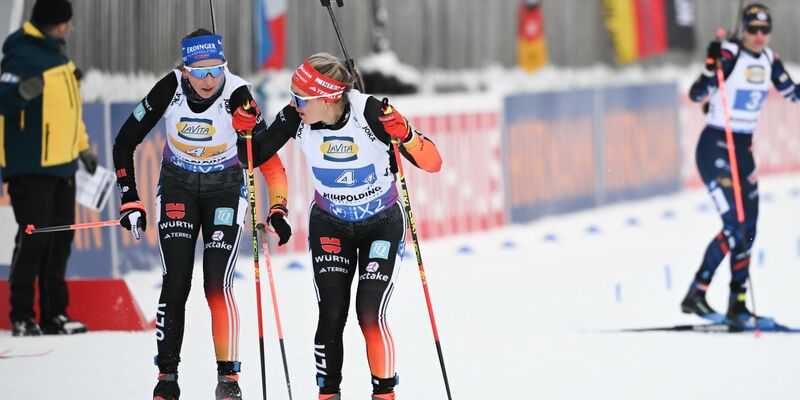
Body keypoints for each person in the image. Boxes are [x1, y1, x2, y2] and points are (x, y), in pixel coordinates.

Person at [239, 53, 442, 400]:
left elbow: (433, 162)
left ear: (329, 97)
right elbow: (250, 156)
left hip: (381, 224)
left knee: (369, 314)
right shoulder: (295, 118)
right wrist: (246, 128)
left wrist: (406, 135)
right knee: (331, 315)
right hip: (330, 224)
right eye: (291, 95)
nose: (293, 103)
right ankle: (328, 394)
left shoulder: (370, 113)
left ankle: (384, 394)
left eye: (301, 98)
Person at [112, 29, 292, 400]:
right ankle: (166, 377)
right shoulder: (170, 88)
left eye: (216, 70)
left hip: (225, 189)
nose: (209, 80)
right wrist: (130, 198)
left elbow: (269, 163)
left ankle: (229, 379)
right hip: (177, 186)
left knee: (216, 284)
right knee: (175, 281)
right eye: (200, 71)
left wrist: (277, 208)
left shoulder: (238, 94)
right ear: (185, 69)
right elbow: (124, 141)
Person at [681, 3, 800, 326]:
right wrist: (710, 66)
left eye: (764, 30)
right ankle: (697, 291)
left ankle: (738, 303)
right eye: (753, 30)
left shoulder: (770, 59)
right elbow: (696, 94)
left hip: (743, 149)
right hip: (716, 147)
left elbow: (793, 93)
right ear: (743, 29)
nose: (759, 36)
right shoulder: (730, 54)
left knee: (748, 229)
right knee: (734, 225)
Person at [0, 0, 96, 336]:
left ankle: (54, 314)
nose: (69, 28)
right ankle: (22, 315)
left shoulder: (60, 58)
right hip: (31, 166)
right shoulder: (21, 55)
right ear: (52, 24)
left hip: (63, 166)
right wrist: (22, 92)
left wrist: (83, 149)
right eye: (65, 23)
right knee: (34, 240)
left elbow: (70, 113)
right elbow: (4, 99)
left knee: (60, 242)